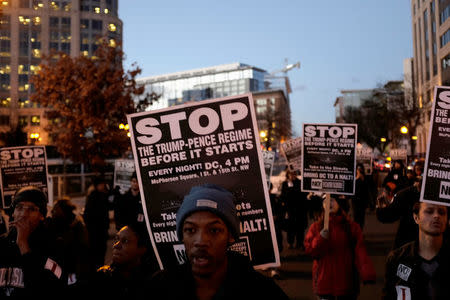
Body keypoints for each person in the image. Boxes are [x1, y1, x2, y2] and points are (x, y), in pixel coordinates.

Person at [149, 183, 289, 300]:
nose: (201, 241)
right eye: (190, 230)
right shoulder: (158, 289)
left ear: (231, 236)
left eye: (214, 230)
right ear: (181, 236)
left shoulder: (262, 292)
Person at [304, 194, 376, 300]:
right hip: (324, 283)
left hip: (346, 284)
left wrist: (367, 273)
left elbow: (360, 251)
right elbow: (311, 251)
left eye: (332, 200)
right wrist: (321, 238)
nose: (329, 203)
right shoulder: (316, 227)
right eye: (325, 200)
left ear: (340, 203)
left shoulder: (352, 227)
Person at [0, 186, 65, 297]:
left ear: (41, 216)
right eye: (19, 207)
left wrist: (23, 245)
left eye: (32, 209)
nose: (24, 214)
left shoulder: (54, 245)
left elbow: (51, 287)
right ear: (13, 213)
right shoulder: (2, 243)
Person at [382, 202, 450, 299]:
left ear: (447, 219)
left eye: (442, 212)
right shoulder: (397, 259)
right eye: (429, 211)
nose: (436, 216)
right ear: (416, 217)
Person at [91, 223, 159, 297]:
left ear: (142, 249)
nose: (116, 245)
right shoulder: (101, 278)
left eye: (125, 241)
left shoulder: (153, 283)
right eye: (116, 239)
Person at [47, 197, 90, 293]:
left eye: (55, 208)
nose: (52, 211)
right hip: (57, 269)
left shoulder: (77, 225)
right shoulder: (53, 224)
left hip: (73, 269)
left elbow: (82, 250)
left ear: (63, 210)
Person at [376, 174, 423, 249]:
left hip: (407, 243)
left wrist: (381, 207)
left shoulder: (406, 194)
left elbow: (387, 216)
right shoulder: (406, 193)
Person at [84, 176, 111, 270]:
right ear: (97, 185)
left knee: (101, 253)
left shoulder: (103, 194)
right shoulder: (94, 196)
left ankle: (99, 269)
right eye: (101, 184)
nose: (103, 186)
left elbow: (110, 206)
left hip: (101, 230)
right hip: (95, 231)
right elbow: (88, 215)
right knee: (96, 254)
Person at [280, 168, 308, 249]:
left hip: (300, 208)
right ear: (288, 175)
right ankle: (290, 243)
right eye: (290, 174)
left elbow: (303, 195)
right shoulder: (285, 184)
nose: (292, 175)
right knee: (290, 228)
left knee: (300, 227)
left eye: (294, 174)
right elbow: (283, 196)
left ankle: (300, 243)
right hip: (290, 209)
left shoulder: (300, 183)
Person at [352, 164, 370, 229]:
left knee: (361, 218)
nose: (358, 171)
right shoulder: (354, 177)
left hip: (362, 201)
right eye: (357, 169)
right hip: (355, 201)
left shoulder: (364, 178)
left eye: (360, 169)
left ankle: (360, 231)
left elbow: (366, 190)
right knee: (356, 217)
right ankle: (356, 232)